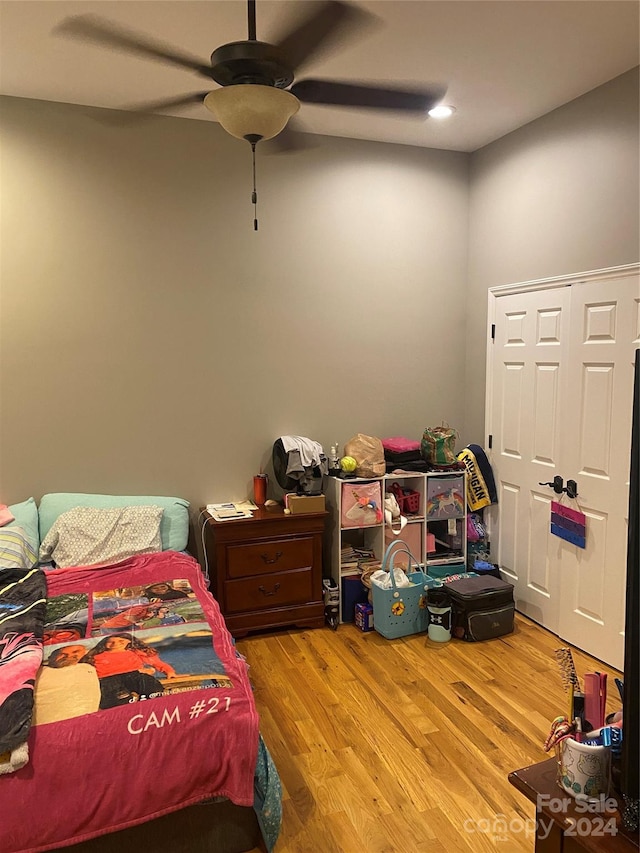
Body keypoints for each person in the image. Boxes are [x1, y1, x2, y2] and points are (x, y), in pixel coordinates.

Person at [82, 634, 177, 709]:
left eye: (121, 641)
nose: (115, 644)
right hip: (108, 680)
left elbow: (156, 663)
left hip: (134, 676)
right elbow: (86, 669)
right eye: (110, 641)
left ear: (128, 641)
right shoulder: (95, 656)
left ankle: (154, 706)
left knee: (151, 686)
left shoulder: (134, 652)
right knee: (118, 699)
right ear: (104, 643)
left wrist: (169, 671)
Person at [33, 644, 101, 724]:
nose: (68, 656)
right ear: (51, 658)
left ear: (85, 653)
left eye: (75, 652)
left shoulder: (88, 668)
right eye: (62, 654)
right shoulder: (37, 671)